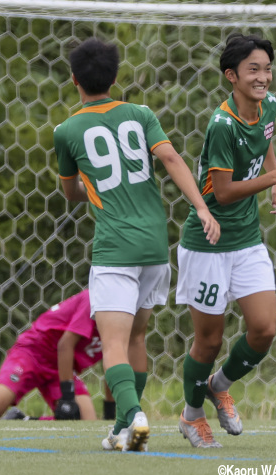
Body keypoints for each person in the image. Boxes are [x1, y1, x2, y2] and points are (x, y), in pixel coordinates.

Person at [54, 37, 220, 452]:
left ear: (74, 80)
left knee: (113, 343)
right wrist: (201, 207)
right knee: (137, 339)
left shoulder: (66, 130)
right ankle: (122, 432)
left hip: (115, 248)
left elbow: (70, 191)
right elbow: (171, 160)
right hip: (154, 245)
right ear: (114, 77)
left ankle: (134, 416)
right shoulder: (141, 114)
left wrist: (86, 188)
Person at [175, 33, 276, 448]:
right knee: (209, 339)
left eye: (267, 68)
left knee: (264, 329)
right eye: (254, 69)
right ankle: (191, 416)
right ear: (231, 76)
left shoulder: (267, 105)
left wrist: (273, 182)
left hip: (247, 240)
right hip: (208, 244)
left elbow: (264, 138)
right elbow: (224, 192)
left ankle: (219, 384)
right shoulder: (221, 126)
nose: (263, 76)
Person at [0, 289, 115, 421]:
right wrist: (67, 396)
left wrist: (110, 412)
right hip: (32, 353)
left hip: (61, 367)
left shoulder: (123, 318)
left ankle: (23, 420)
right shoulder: (94, 300)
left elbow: (112, 362)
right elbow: (65, 344)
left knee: (86, 420)